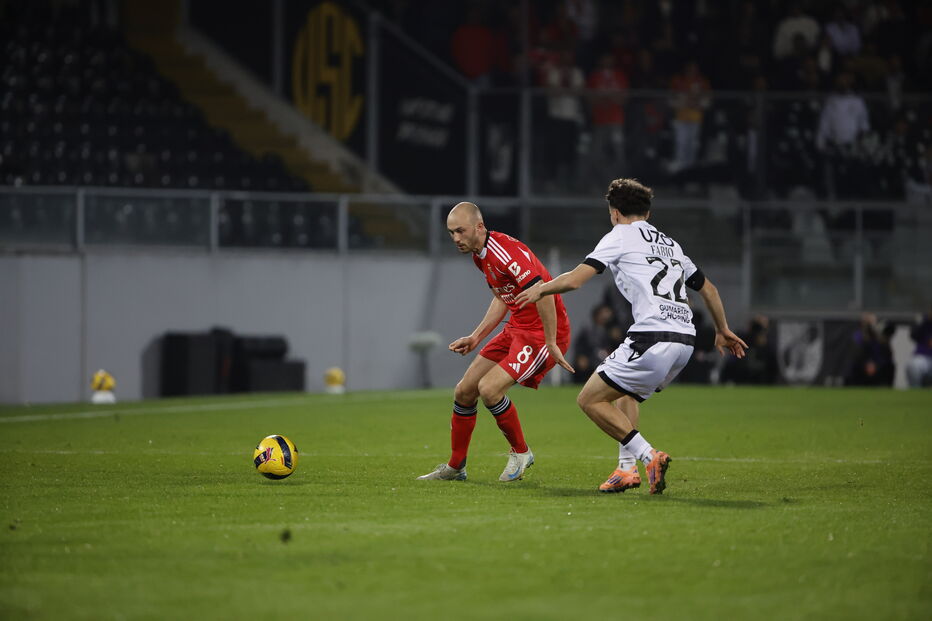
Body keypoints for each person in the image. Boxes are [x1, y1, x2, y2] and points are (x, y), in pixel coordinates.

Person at [515, 178, 746, 495]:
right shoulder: (671, 244)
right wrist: (722, 329)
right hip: (686, 340)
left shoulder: (619, 235)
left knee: (589, 399)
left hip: (653, 335)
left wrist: (540, 288)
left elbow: (576, 280)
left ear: (614, 212)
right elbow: (709, 289)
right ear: (648, 213)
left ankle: (649, 456)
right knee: (625, 393)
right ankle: (626, 470)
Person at [417, 202, 572, 482]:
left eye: (460, 231)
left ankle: (521, 452)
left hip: (541, 332)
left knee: (489, 389)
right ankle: (456, 466)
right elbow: (503, 296)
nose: (455, 239)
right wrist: (476, 336)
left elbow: (545, 293)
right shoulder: (480, 255)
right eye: (451, 233)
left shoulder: (505, 253)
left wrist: (551, 342)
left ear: (479, 226)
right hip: (517, 327)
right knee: (464, 391)